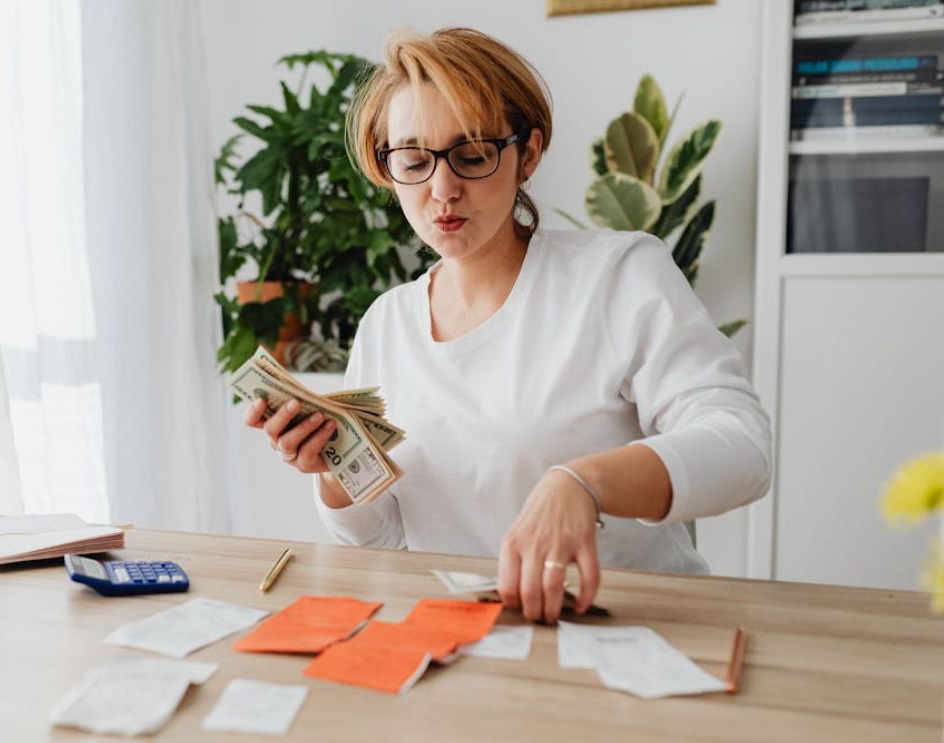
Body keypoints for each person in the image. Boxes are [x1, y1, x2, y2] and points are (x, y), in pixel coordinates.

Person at [243, 27, 771, 624]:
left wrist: (582, 482)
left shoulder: (617, 275)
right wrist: (331, 470)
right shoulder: (387, 324)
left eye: (471, 155)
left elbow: (743, 448)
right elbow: (385, 543)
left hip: (626, 632)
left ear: (529, 153)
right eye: (413, 160)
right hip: (465, 640)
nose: (443, 189)